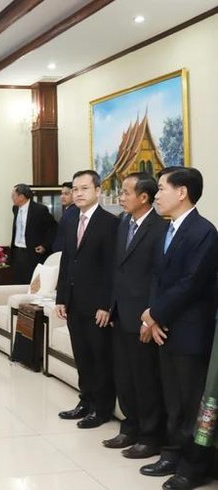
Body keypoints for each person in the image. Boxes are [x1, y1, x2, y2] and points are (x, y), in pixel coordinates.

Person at [138, 167, 218, 490]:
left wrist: (154, 313)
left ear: (182, 192)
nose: (156, 195)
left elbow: (191, 284)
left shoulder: (204, 232)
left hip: (190, 331)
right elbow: (158, 278)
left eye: (161, 188)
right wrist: (153, 318)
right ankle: (172, 454)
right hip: (165, 327)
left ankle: (195, 467)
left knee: (191, 402)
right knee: (172, 398)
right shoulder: (166, 230)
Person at [101, 173, 167, 460]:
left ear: (144, 197)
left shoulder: (160, 228)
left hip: (143, 317)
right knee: (124, 376)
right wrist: (111, 306)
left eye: (126, 192)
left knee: (146, 379)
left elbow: (159, 277)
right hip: (121, 314)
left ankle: (150, 436)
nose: (121, 197)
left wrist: (149, 318)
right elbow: (117, 270)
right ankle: (130, 427)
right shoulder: (123, 223)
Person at [55, 169, 119, 429]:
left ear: (98, 191)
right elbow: (66, 261)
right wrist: (61, 297)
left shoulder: (110, 223)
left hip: (98, 306)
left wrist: (107, 305)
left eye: (84, 188)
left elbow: (113, 268)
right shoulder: (70, 220)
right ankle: (85, 401)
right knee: (82, 355)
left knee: (100, 356)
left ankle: (101, 408)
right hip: (73, 302)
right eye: (75, 189)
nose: (78, 193)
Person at [9, 183, 57, 284]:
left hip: (32, 253)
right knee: (17, 282)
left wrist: (45, 246)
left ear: (21, 197)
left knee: (32, 283)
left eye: (13, 195)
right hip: (17, 253)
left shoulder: (39, 210)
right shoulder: (15, 209)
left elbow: (53, 229)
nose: (11, 197)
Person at [52, 181, 77, 253]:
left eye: (66, 194)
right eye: (61, 194)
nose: (62, 197)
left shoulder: (73, 212)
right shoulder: (68, 210)